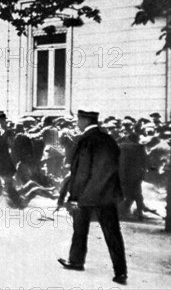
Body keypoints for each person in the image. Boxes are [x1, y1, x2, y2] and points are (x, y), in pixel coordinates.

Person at [57, 110, 127, 285]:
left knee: (80, 229)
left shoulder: (87, 140)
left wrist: (75, 196)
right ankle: (120, 271)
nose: (77, 123)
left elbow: (82, 171)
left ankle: (76, 261)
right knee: (112, 233)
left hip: (86, 194)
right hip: (106, 193)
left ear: (84, 120)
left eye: (79, 120)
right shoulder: (108, 139)